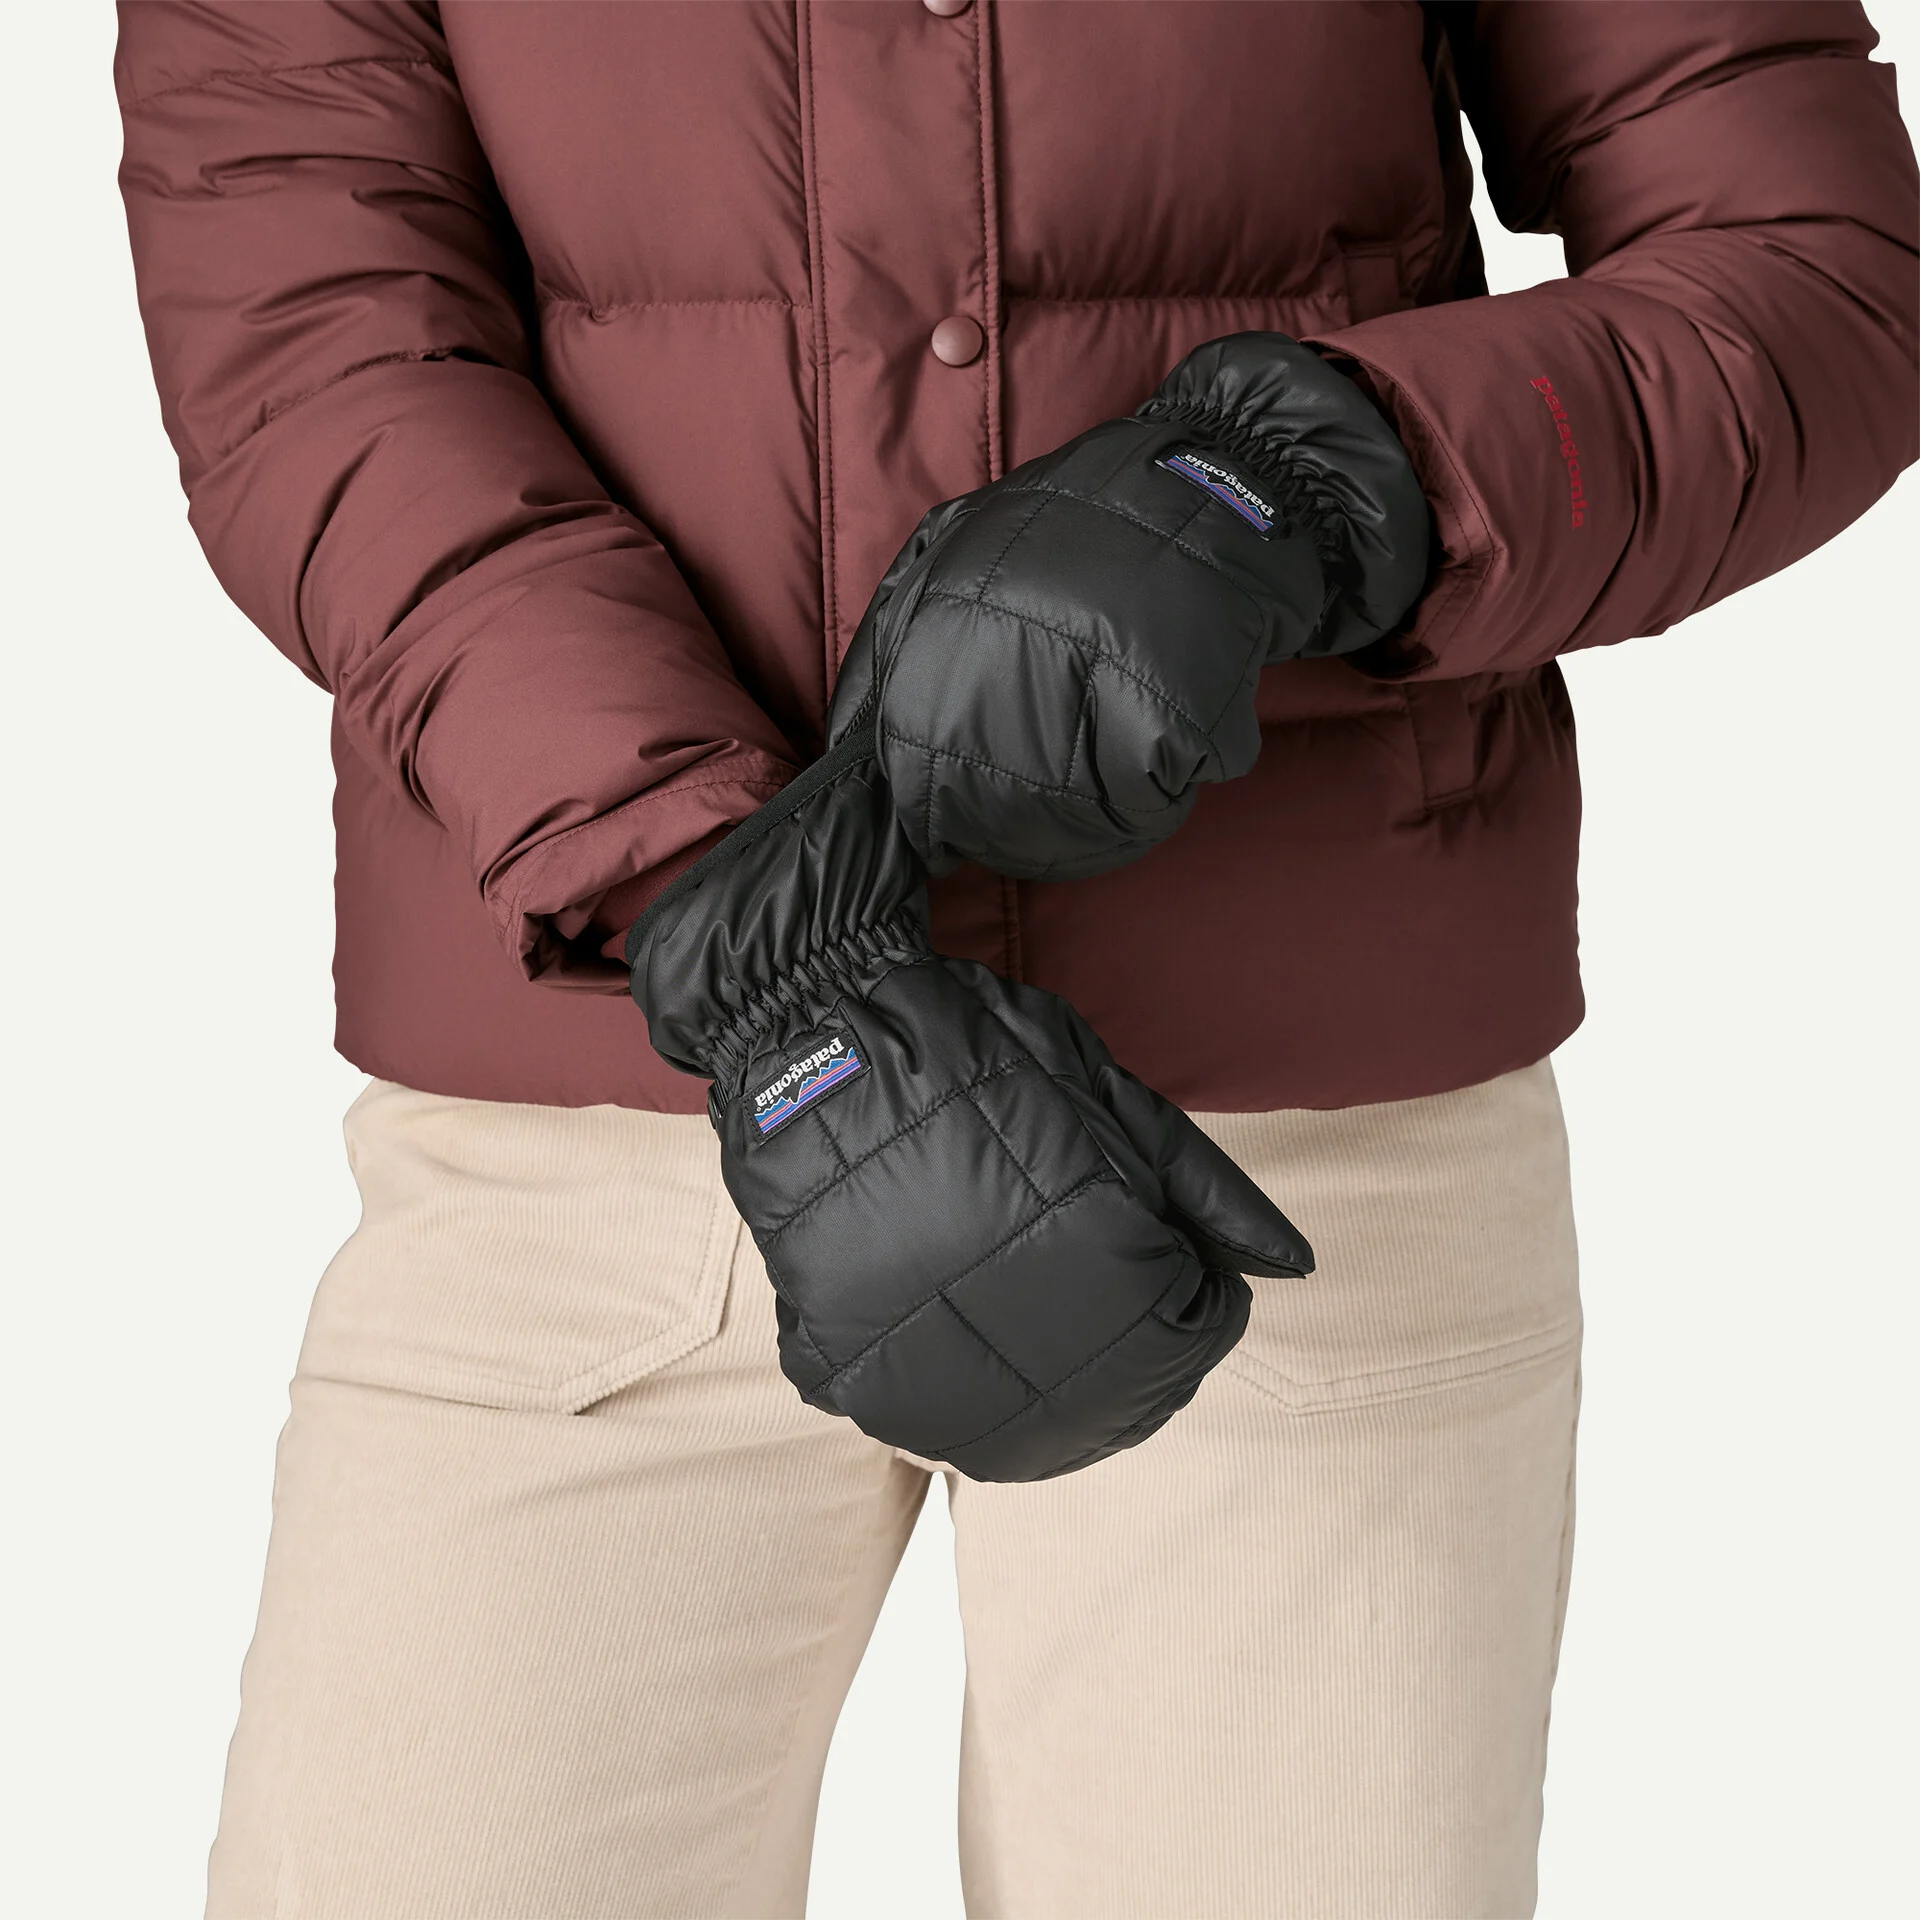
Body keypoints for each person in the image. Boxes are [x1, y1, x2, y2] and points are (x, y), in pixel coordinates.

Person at [115, 3, 1916, 1915]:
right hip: (607, 1141)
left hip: (1296, 1150)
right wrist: (730, 916)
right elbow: (319, 346)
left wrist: (1307, 482)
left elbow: (1805, 267)